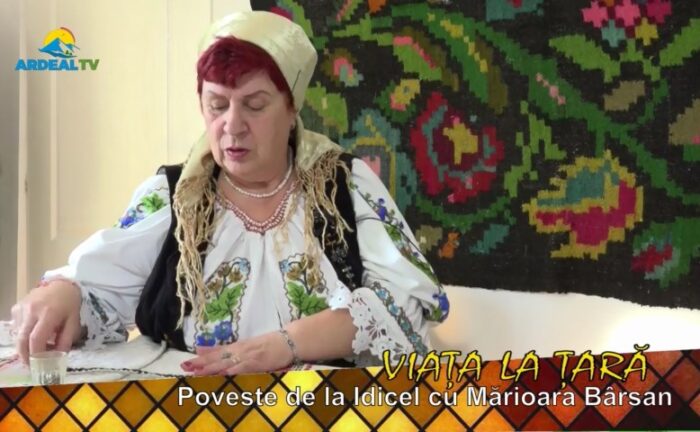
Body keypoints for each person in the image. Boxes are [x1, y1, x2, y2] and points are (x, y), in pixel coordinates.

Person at [11, 10, 449, 375]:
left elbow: (406, 304)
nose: (232, 125)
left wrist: (285, 344)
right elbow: (97, 293)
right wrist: (64, 294)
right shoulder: (176, 196)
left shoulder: (341, 188)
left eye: (255, 105)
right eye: (217, 105)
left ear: (292, 108)